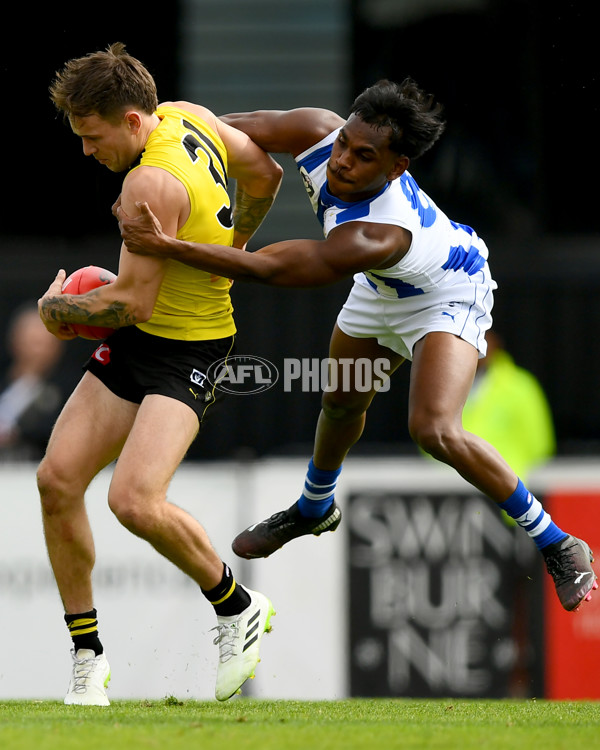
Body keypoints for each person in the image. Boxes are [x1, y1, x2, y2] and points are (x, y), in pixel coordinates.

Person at [115, 77, 597, 614]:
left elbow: (270, 268)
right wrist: (153, 136)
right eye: (345, 142)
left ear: (396, 168)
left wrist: (170, 246)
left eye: (363, 156)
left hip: (447, 290)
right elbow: (216, 133)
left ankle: (559, 542)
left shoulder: (377, 233)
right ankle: (314, 507)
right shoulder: (318, 131)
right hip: (383, 286)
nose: (342, 161)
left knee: (433, 428)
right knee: (342, 400)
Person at [37, 42, 283, 706]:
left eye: (92, 137)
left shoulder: (146, 183)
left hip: (191, 347)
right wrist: (232, 247)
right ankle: (88, 658)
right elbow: (263, 173)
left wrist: (56, 311)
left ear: (128, 119)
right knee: (57, 480)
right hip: (145, 340)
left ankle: (237, 607)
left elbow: (128, 302)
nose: (87, 151)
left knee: (133, 501)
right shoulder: (186, 114)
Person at [462, 328, 556, 481]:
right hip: (454, 484)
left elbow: (539, 442)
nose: (476, 345)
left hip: (508, 482)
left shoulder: (520, 386)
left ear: (495, 342)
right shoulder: (451, 383)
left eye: (482, 337)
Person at [0, 303, 66, 461]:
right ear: (14, 341)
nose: (37, 350)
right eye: (31, 341)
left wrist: (16, 434)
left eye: (43, 342)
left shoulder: (68, 391)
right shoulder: (6, 384)